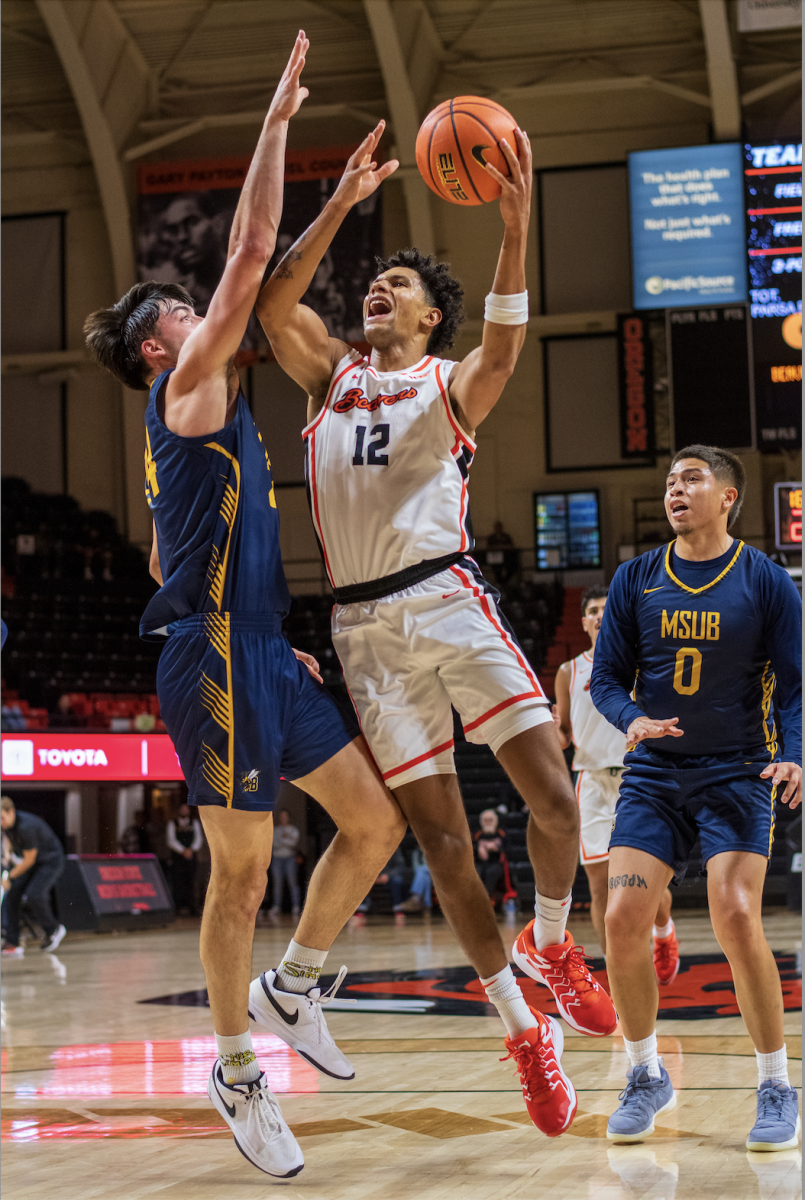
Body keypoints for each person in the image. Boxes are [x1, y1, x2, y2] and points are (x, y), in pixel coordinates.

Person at [83, 34, 404, 1181]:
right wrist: (274, 124)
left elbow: (269, 276)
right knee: (238, 872)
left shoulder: (208, 375)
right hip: (208, 653)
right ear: (157, 342)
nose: (200, 306)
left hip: (263, 646)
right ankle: (232, 1064)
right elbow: (252, 253)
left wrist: (339, 203)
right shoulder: (183, 384)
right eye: (182, 302)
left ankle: (293, 984)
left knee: (373, 825)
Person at [254, 119, 616, 1138]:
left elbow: (506, 343)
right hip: (364, 634)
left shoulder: (447, 384)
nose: (382, 290)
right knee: (445, 846)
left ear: (429, 318)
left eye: (402, 287)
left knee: (554, 798)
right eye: (378, 283)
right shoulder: (328, 376)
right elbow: (275, 299)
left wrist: (516, 219)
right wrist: (337, 205)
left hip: (447, 599)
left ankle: (550, 941)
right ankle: (521, 1034)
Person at [591, 445, 802, 1151]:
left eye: (691, 479)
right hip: (654, 773)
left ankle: (775, 1083)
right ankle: (644, 1074)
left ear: (728, 497)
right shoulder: (635, 579)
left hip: (737, 771)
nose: (675, 489)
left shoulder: (766, 581)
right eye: (670, 480)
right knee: (621, 915)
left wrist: (794, 752)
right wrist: (631, 720)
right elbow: (604, 680)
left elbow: (796, 686)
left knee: (736, 914)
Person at [554, 587, 678, 980]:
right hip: (590, 781)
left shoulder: (639, 665)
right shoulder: (568, 672)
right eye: (592, 611)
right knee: (599, 886)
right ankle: (619, 977)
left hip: (636, 779)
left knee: (649, 883)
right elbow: (562, 735)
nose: (599, 616)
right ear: (584, 621)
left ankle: (663, 930)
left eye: (606, 611)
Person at [0, 796, 66, 956]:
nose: (0, 822)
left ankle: (54, 930)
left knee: (34, 894)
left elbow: (29, 860)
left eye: (2, 818)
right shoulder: (8, 824)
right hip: (32, 862)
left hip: (50, 861)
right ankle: (12, 942)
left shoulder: (26, 826)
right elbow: (8, 839)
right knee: (13, 894)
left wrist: (7, 877)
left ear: (11, 812)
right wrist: (7, 856)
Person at [166, 803, 203, 914]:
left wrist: (191, 850)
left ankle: (192, 907)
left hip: (191, 856)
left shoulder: (194, 823)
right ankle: (177, 907)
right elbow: (171, 840)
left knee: (191, 882)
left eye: (186, 810)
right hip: (178, 857)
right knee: (178, 882)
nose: (184, 812)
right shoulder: (172, 823)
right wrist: (182, 850)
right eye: (182, 809)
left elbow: (198, 839)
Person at [269, 809, 301, 916]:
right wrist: (285, 840)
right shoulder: (275, 830)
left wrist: (284, 840)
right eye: (281, 816)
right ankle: (276, 906)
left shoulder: (293, 830)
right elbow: (273, 843)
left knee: (292, 882)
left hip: (289, 858)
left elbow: (293, 843)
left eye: (285, 816)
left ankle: (296, 906)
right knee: (277, 884)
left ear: (288, 817)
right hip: (277, 858)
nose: (283, 818)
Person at [474, 808, 506, 902]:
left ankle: (487, 899)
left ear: (495, 821)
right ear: (481, 822)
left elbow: (508, 849)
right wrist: (480, 848)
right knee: (476, 872)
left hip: (497, 863)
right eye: (485, 820)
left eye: (490, 820)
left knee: (491, 872)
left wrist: (496, 847)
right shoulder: (477, 834)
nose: (488, 822)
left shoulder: (501, 833)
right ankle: (478, 898)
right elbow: (471, 848)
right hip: (480, 863)